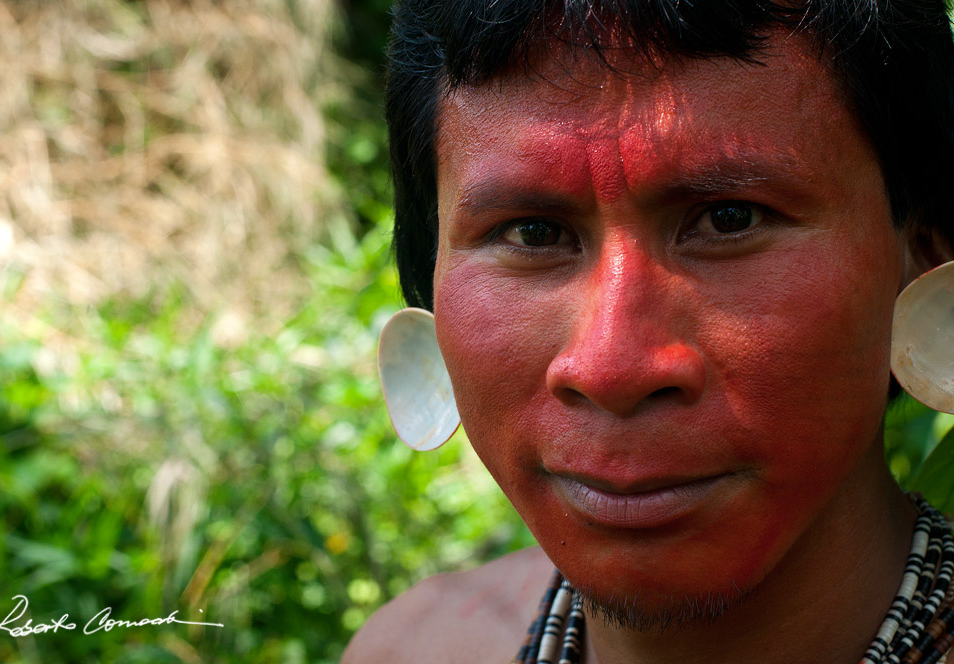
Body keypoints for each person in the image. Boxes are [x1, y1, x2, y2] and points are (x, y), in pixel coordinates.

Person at [344, 1, 954, 662]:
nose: (611, 369)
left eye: (728, 219)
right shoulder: (410, 649)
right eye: (533, 233)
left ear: (926, 254)